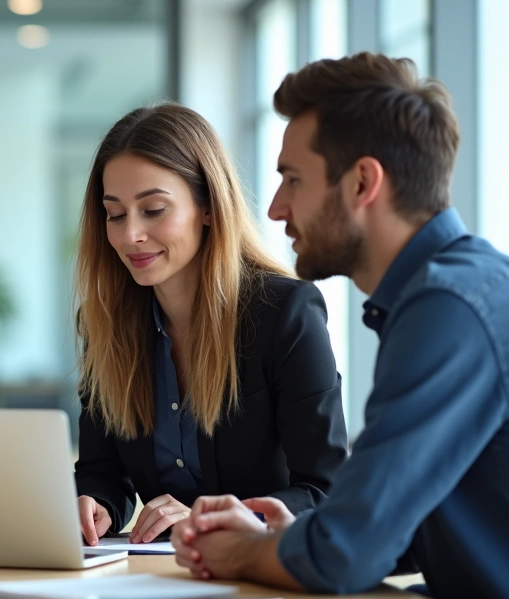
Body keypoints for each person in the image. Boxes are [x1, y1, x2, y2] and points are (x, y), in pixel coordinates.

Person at [170, 53, 509, 599]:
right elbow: (390, 529)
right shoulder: (449, 292)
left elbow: (346, 551)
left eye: (293, 180)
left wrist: (236, 553)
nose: (275, 209)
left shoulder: (453, 307)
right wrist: (281, 540)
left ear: (363, 182)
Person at [72, 103, 348, 547]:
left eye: (154, 209)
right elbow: (104, 474)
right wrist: (92, 503)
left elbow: (326, 490)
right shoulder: (105, 326)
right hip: (158, 578)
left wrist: (224, 517)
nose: (129, 236)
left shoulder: (285, 313)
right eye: (116, 214)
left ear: (207, 206)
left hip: (261, 578)